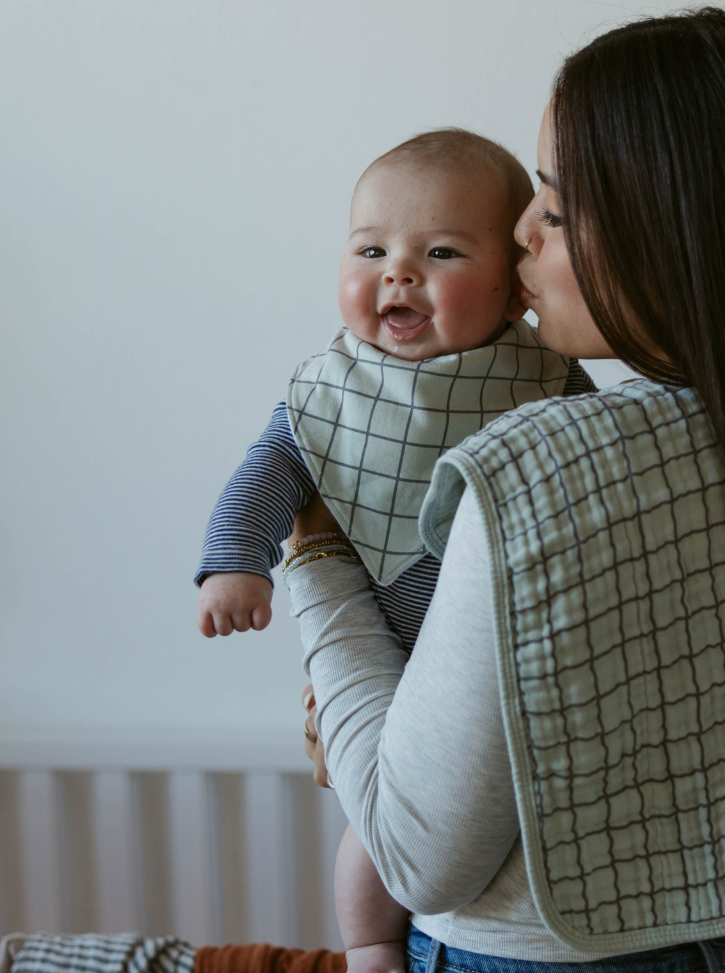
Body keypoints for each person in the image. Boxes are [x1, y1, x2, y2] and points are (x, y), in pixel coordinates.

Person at [286, 8, 725, 973]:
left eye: (554, 211)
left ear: (677, 234)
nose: (518, 232)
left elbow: (418, 854)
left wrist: (317, 557)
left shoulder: (532, 473)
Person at [193, 128, 593, 973]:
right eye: (371, 250)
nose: (398, 273)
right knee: (379, 832)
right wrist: (236, 562)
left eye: (441, 252)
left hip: (503, 674)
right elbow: (267, 474)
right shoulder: (330, 390)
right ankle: (371, 944)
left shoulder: (548, 379)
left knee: (495, 825)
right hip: (384, 659)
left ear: (515, 288)